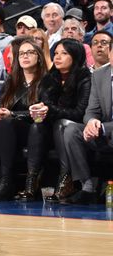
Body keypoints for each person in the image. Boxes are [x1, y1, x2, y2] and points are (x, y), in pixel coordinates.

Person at [0, 38, 48, 201]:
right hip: (8, 126)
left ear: (38, 56)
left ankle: (6, 180)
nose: (25, 56)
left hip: (32, 128)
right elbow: (0, 104)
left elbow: (43, 111)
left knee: (7, 122)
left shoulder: (47, 80)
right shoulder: (12, 80)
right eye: (21, 53)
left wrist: (12, 115)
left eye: (30, 52)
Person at [35, 39, 91, 203]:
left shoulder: (85, 78)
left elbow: (80, 113)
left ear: (75, 56)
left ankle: (66, 177)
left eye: (64, 53)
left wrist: (50, 110)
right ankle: (31, 181)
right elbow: (43, 107)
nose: (58, 57)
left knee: (62, 125)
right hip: (50, 128)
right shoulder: (49, 78)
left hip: (74, 127)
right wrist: (36, 113)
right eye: (56, 53)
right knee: (36, 126)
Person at [62, 41, 113, 204]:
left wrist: (102, 127)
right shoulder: (99, 75)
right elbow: (91, 109)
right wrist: (91, 122)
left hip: (107, 129)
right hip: (104, 132)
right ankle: (87, 187)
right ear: (109, 55)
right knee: (70, 130)